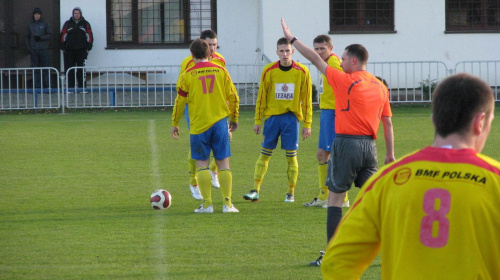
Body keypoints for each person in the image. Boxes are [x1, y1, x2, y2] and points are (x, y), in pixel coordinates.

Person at [322, 73, 500, 279]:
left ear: (434, 120)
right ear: (480, 122)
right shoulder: (495, 180)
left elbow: (336, 263)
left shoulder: (388, 179)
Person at [279, 18, 396, 266]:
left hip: (347, 145)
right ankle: (395, 247)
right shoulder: (380, 86)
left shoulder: (344, 79)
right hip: (370, 148)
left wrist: (292, 38)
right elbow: (387, 123)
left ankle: (331, 255)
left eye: (343, 58)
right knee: (374, 200)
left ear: (354, 61)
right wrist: (390, 154)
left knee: (335, 198)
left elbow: (315, 59)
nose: (339, 62)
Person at [171, 38, 240, 213]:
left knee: (202, 164)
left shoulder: (187, 75)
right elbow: (233, 96)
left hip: (198, 125)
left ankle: (208, 204)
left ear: (192, 54)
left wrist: (175, 122)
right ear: (210, 53)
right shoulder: (221, 71)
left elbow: (180, 101)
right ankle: (227, 204)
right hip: (219, 123)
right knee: (223, 163)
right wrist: (234, 118)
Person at [243, 37, 313, 203]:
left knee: (291, 157)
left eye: (287, 51)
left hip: (291, 119)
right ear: (276, 52)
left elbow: (307, 100)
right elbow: (261, 97)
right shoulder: (269, 70)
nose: (284, 54)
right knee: (264, 154)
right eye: (281, 51)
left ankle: (290, 192)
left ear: (293, 52)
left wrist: (307, 124)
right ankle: (255, 190)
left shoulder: (302, 72)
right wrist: (257, 120)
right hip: (272, 118)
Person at [177, 30, 226, 201]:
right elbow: (181, 88)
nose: (212, 48)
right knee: (197, 145)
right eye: (209, 45)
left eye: (215, 44)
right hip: (195, 109)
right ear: (202, 45)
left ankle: (213, 170)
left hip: (216, 110)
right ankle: (194, 181)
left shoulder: (220, 61)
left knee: (225, 140)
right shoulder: (187, 63)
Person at [302, 35, 349, 209]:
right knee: (322, 154)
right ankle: (324, 195)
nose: (319, 52)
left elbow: (345, 85)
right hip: (327, 112)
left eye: (323, 48)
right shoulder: (325, 62)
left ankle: (342, 198)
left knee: (335, 155)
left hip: (335, 113)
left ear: (331, 48)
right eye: (317, 49)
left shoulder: (334, 63)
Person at [60, 7, 93, 88]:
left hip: (82, 51)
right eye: (75, 13)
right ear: (73, 14)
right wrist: (63, 47)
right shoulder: (67, 24)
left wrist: (88, 48)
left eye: (78, 13)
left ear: (80, 14)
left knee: (81, 70)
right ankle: (70, 88)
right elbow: (62, 36)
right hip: (69, 51)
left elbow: (90, 36)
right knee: (70, 70)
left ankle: (82, 88)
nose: (77, 15)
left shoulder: (85, 24)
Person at [25, 7, 52, 88]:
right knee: (35, 69)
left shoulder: (45, 23)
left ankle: (48, 86)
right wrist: (29, 48)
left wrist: (41, 38)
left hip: (44, 49)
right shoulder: (30, 24)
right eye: (35, 14)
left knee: (46, 68)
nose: (37, 16)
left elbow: (50, 35)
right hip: (34, 49)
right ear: (33, 15)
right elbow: (27, 37)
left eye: (38, 14)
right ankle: (37, 87)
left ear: (41, 15)